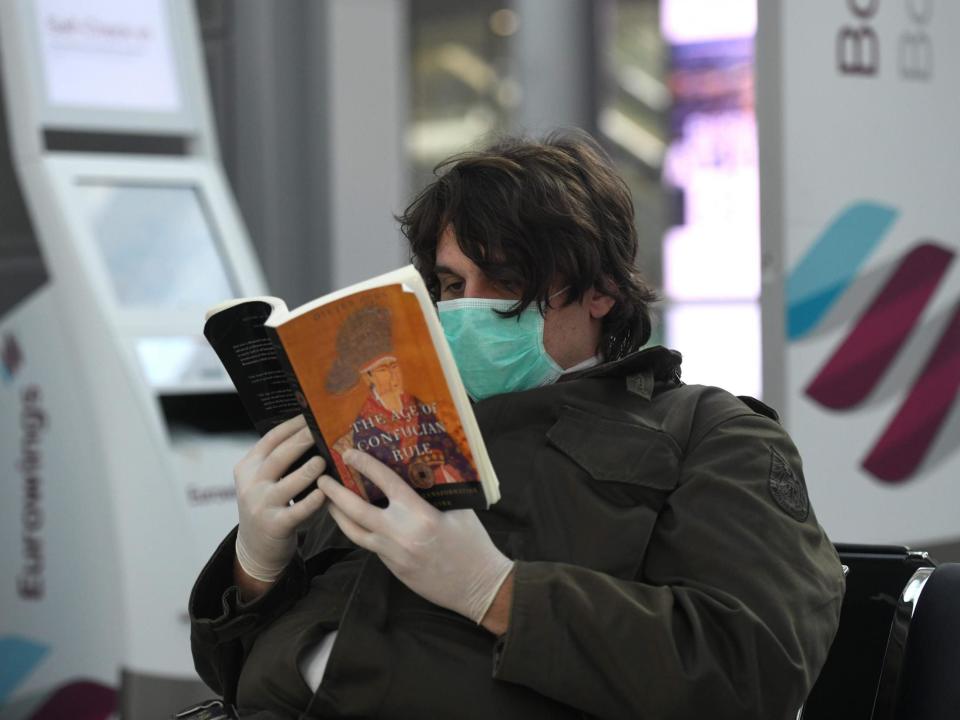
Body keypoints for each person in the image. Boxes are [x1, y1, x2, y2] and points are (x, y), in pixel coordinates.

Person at [189, 131, 845, 719]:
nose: (466, 308)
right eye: (449, 284)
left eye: (502, 279)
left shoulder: (707, 432)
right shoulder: (392, 422)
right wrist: (256, 569)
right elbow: (229, 668)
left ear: (600, 291)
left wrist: (498, 592)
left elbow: (754, 669)